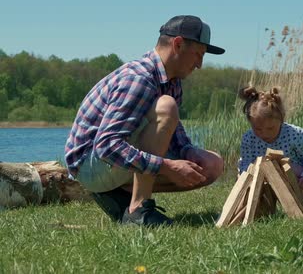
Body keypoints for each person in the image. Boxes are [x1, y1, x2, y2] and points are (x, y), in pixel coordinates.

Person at [64, 15, 225, 226]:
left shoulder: (172, 81)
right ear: (177, 44)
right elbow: (107, 146)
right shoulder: (138, 78)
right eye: (198, 54)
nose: (200, 64)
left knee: (212, 165)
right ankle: (138, 209)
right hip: (90, 166)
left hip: (110, 162)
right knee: (166, 106)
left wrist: (188, 151)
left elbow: (173, 132)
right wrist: (167, 166)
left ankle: (119, 195)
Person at [237, 86, 303, 193]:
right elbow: (245, 163)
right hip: (261, 179)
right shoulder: (249, 138)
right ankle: (260, 202)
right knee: (247, 171)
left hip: (294, 179)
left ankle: (292, 201)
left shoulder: (294, 134)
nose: (264, 133)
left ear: (281, 119)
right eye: (257, 129)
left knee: (286, 167)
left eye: (270, 128)